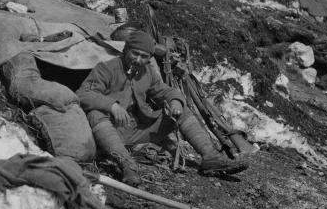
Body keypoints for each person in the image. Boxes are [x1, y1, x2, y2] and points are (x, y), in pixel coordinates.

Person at [76, 30, 249, 186]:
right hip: (109, 131)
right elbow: (83, 94)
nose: (138, 60)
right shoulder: (106, 69)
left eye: (144, 56)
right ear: (125, 50)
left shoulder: (146, 72)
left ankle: (210, 157)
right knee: (95, 113)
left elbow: (163, 90)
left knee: (182, 111)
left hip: (137, 130)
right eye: (134, 53)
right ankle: (127, 165)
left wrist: (174, 101)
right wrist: (111, 105)